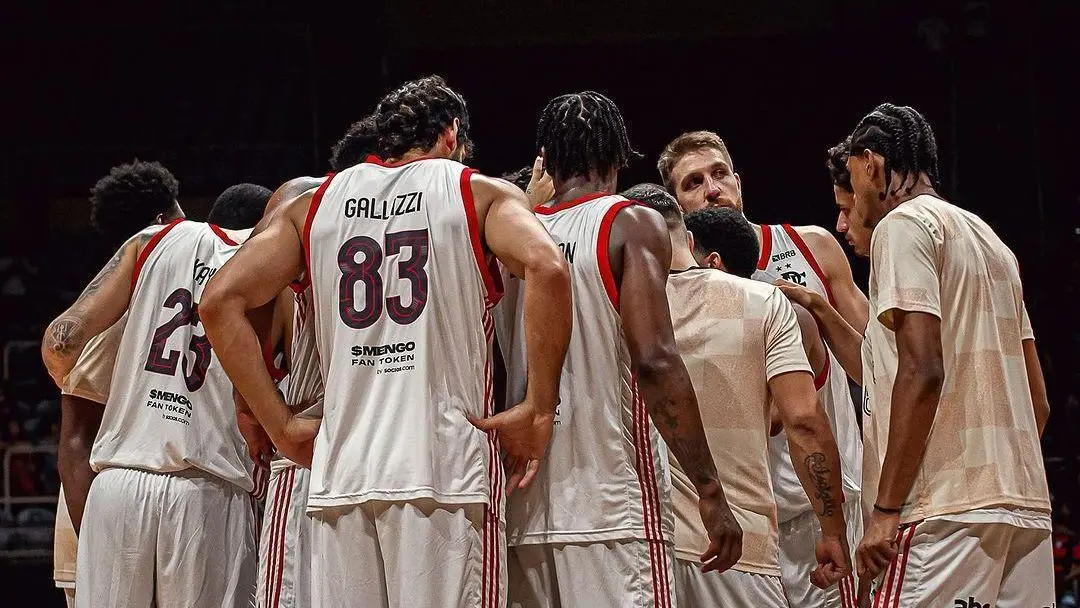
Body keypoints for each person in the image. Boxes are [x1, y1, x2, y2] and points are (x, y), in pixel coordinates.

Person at [200, 75, 573, 608]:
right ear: (451, 135)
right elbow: (548, 267)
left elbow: (218, 303)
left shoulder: (315, 205)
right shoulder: (473, 190)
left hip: (342, 474)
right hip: (443, 471)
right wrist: (540, 406)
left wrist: (280, 425)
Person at [495, 93, 742, 608]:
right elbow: (654, 360)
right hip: (614, 505)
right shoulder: (629, 222)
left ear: (548, 159)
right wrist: (710, 491)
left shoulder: (506, 234)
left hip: (522, 505)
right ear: (616, 158)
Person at [845, 103, 1052, 607]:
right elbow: (1037, 402)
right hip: (1023, 507)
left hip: (941, 511)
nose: (856, 203)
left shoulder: (903, 226)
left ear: (872, 164)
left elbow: (922, 368)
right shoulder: (994, 244)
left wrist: (888, 508)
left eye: (853, 184)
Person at [658, 130, 866, 606]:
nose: (711, 189)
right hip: (737, 520)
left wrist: (820, 313)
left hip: (825, 508)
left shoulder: (810, 245)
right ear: (675, 208)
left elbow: (880, 363)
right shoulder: (665, 292)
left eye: (719, 174)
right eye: (692, 183)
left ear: (739, 181)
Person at [41, 196, 263, 607]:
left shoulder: (150, 243)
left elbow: (61, 341)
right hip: (206, 485)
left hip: (118, 484)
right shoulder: (267, 268)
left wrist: (61, 376)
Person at [253, 116, 379, 608]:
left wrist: (257, 410)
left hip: (321, 447)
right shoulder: (310, 207)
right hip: (339, 449)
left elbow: (235, 305)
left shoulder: (306, 215)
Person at [53, 159, 186, 608]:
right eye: (179, 213)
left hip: (138, 514)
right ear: (160, 226)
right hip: (99, 518)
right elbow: (75, 439)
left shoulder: (156, 302)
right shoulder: (114, 317)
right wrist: (100, 549)